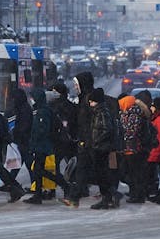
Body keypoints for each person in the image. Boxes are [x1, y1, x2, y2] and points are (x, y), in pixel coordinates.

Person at [61, 71, 96, 207]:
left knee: (94, 170)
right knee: (81, 169)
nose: (75, 87)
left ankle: (110, 194)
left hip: (90, 141)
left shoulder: (88, 100)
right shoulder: (82, 99)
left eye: (77, 85)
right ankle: (75, 197)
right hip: (84, 141)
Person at [24, 88, 63, 204]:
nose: (31, 100)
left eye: (32, 98)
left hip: (42, 145)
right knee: (38, 170)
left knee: (39, 170)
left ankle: (64, 184)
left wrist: (33, 142)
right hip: (41, 145)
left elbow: (41, 130)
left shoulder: (42, 112)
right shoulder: (40, 110)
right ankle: (38, 194)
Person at [88, 88, 115, 209]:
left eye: (92, 101)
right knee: (101, 173)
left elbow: (107, 129)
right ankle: (107, 197)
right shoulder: (97, 112)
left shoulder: (102, 112)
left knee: (102, 173)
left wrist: (97, 140)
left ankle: (107, 198)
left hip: (101, 147)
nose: (90, 103)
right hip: (99, 147)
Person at [147, 96, 160, 201]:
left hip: (159, 151)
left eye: (152, 106)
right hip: (158, 150)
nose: (151, 108)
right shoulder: (158, 117)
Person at [10, 88, 34, 180]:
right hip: (22, 141)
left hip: (24, 141)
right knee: (18, 163)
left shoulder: (24, 109)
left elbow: (24, 126)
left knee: (27, 163)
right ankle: (11, 182)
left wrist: (15, 132)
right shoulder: (22, 108)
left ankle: (35, 185)